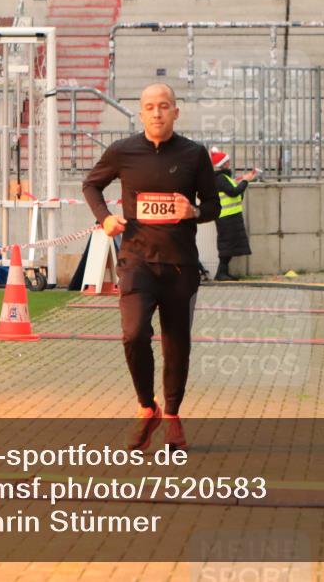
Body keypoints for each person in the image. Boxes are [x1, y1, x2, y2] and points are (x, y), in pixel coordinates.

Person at [82, 83, 219, 452]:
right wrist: (105, 219)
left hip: (180, 266)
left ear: (176, 111)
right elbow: (91, 186)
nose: (156, 113)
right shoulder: (123, 152)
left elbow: (214, 205)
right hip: (136, 262)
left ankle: (173, 416)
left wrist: (195, 211)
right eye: (149, 107)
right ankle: (148, 407)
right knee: (134, 334)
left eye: (164, 106)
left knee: (177, 345)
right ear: (140, 113)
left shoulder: (194, 154)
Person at [211, 149, 256, 281]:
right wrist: (245, 181)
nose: (229, 163)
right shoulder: (220, 178)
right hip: (226, 217)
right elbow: (233, 192)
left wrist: (241, 181)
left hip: (230, 216)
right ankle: (221, 273)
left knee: (229, 245)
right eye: (227, 162)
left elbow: (235, 194)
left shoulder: (224, 178)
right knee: (227, 245)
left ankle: (223, 272)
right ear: (223, 164)